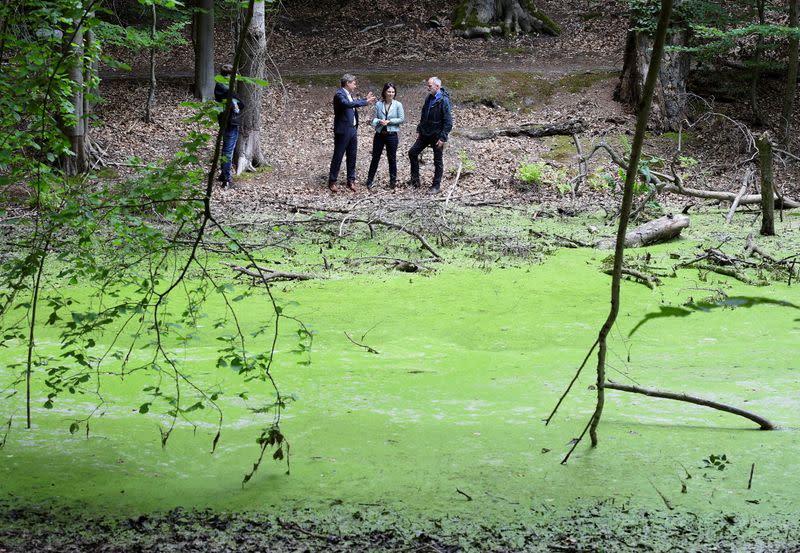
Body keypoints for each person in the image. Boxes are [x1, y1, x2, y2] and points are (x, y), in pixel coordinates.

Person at [328, 74, 375, 193]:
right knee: (338, 156)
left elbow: (352, 104)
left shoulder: (348, 95)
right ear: (347, 83)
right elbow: (347, 104)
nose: (355, 85)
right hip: (343, 130)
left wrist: (364, 99)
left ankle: (351, 180)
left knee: (352, 155)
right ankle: (332, 181)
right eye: (354, 82)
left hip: (352, 129)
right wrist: (364, 102)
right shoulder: (339, 95)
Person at [408, 76, 453, 193]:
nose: (428, 88)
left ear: (437, 86)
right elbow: (424, 115)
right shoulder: (429, 97)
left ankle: (436, 186)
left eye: (430, 86)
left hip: (437, 135)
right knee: (412, 152)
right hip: (425, 133)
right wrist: (419, 129)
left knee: (437, 160)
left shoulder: (444, 100)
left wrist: (443, 137)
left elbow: (448, 122)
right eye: (428, 86)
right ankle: (415, 181)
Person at [365, 82, 405, 191]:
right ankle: (369, 180)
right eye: (389, 91)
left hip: (392, 135)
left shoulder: (398, 105)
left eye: (393, 92)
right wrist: (379, 121)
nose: (391, 94)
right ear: (384, 92)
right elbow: (373, 119)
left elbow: (402, 119)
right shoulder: (379, 104)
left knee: (392, 158)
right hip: (379, 135)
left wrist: (390, 121)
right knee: (375, 158)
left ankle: (392, 182)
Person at [214, 63, 244, 188]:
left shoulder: (224, 87)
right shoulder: (225, 89)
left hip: (229, 121)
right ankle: (226, 179)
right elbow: (240, 104)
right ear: (228, 76)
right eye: (234, 74)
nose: (237, 76)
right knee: (228, 150)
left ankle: (223, 175)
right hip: (230, 122)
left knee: (227, 148)